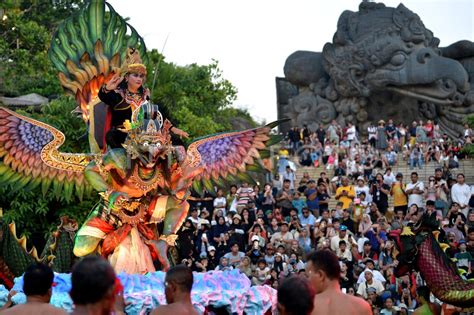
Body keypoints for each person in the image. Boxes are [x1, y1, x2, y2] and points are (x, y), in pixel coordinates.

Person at [98, 48, 188, 148]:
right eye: (135, 75)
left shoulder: (146, 96)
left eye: (141, 76)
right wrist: (107, 88)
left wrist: (173, 129)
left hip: (148, 136)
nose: (139, 79)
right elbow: (104, 96)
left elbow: (157, 117)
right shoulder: (119, 95)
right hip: (126, 136)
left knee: (175, 141)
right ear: (127, 78)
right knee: (112, 136)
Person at [306, 250, 371, 315]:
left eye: (308, 276)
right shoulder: (361, 306)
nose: (307, 280)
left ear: (320, 275)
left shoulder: (308, 307)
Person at [0, 264, 66, 315]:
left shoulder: (7, 313)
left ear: (24, 289)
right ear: (50, 291)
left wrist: (8, 303)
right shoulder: (60, 313)